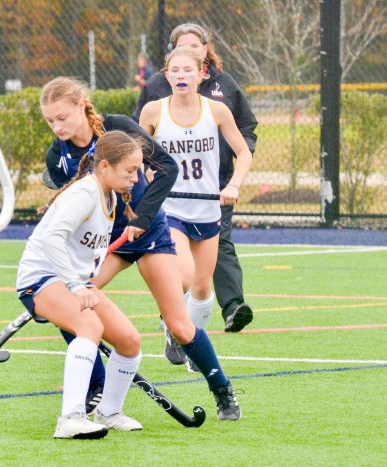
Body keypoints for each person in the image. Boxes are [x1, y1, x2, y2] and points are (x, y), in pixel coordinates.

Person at [40, 76, 241, 422]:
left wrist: (142, 218)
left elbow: (167, 168)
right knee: (70, 302)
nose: (57, 126)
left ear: (79, 106)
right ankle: (97, 387)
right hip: (107, 245)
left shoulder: (117, 129)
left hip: (148, 233)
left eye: (62, 117)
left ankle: (222, 389)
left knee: (179, 325)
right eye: (49, 121)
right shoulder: (57, 159)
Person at [16, 130, 145, 439]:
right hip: (41, 279)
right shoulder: (84, 193)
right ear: (105, 167)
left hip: (72, 280)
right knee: (90, 327)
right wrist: (76, 286)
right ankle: (70, 417)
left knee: (129, 341)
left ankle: (109, 411)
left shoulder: (109, 197)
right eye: (130, 170)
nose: (136, 178)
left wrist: (82, 280)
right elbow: (52, 238)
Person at [133, 22, 259, 336]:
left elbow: (244, 152)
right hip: (170, 204)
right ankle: (173, 328)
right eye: (174, 70)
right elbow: (135, 154)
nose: (180, 75)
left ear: (201, 72)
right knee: (184, 276)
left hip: (208, 206)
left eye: (188, 70)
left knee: (202, 288)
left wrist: (233, 185)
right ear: (166, 74)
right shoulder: (152, 110)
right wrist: (143, 172)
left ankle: (190, 343)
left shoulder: (217, 110)